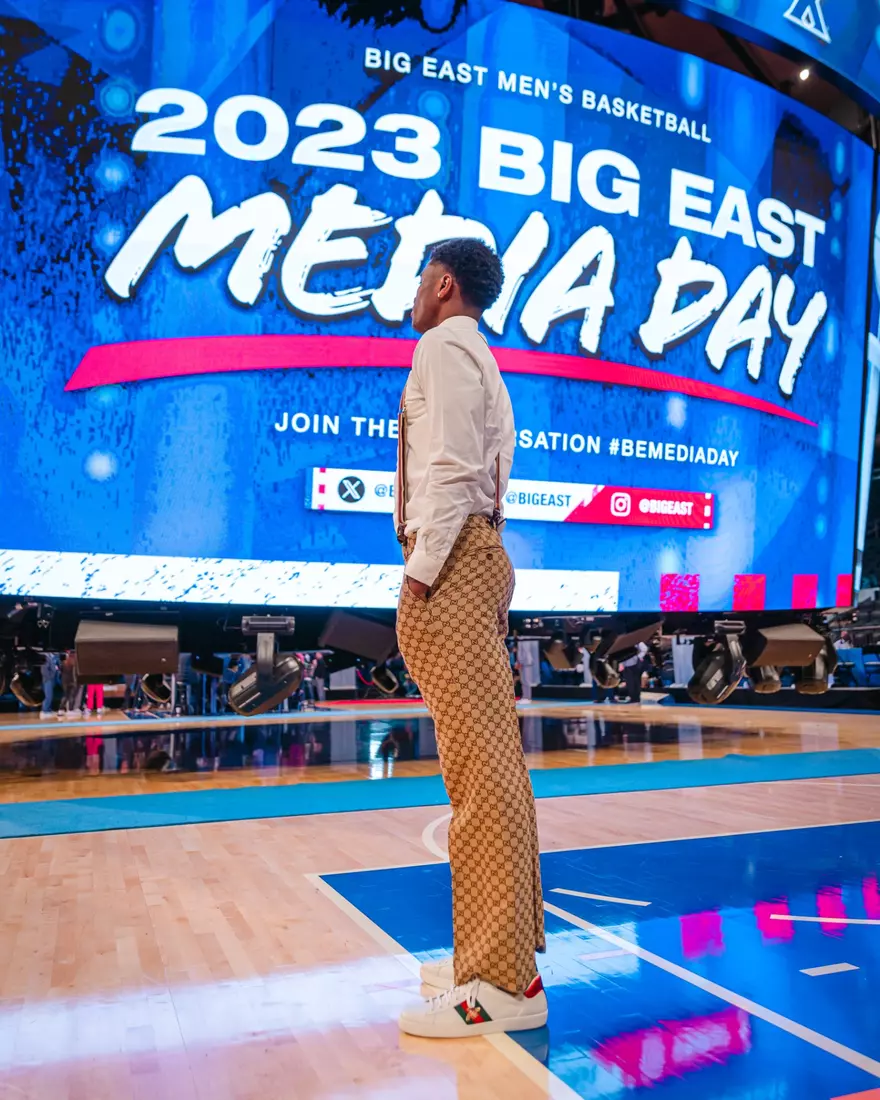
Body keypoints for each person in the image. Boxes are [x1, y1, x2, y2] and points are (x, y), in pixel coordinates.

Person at [394, 238, 546, 1039]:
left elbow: (451, 472)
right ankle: (507, 962)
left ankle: (497, 984)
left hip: (450, 564)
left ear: (444, 283)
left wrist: (420, 576)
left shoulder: (443, 347)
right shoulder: (473, 353)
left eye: (421, 277)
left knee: (480, 782)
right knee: (494, 773)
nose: (414, 291)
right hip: (473, 556)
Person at [39, 651, 60, 719]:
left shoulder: (53, 656)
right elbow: (44, 670)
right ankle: (44, 711)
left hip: (52, 678)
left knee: (50, 695)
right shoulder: (44, 656)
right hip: (47, 679)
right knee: (47, 695)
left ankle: (48, 709)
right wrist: (50, 677)